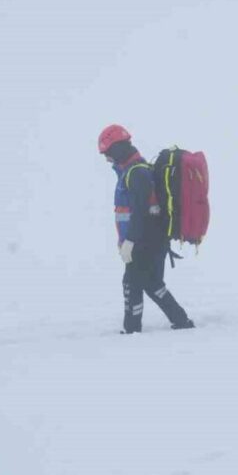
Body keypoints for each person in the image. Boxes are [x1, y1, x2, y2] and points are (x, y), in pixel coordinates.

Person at [98, 124, 195, 333]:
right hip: (152, 239)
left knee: (131, 284)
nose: (107, 159)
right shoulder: (134, 171)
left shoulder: (137, 174)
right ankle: (181, 321)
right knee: (152, 283)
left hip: (145, 241)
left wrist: (130, 241)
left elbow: (141, 211)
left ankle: (131, 330)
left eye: (108, 154)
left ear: (117, 149)